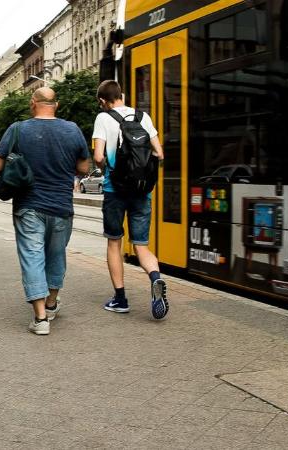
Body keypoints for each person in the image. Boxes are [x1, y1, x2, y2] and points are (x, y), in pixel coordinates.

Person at [0, 87, 90, 335]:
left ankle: (40, 318)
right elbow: (84, 167)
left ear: (33, 103)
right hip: (61, 207)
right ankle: (51, 303)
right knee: (56, 255)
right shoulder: (72, 129)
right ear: (55, 105)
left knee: (32, 257)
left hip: (28, 205)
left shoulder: (17, 129)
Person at [92, 80, 169, 320]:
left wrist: (108, 167)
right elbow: (159, 153)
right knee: (141, 245)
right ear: (122, 95)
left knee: (114, 243)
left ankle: (121, 299)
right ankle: (155, 278)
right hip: (141, 192)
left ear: (102, 101)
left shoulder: (103, 118)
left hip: (115, 191)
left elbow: (97, 156)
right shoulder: (143, 117)